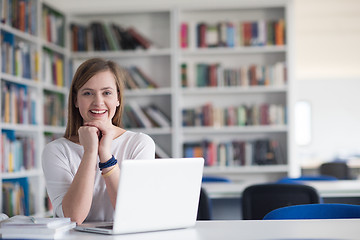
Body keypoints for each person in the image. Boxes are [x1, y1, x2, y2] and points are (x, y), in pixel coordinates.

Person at [42, 58, 155, 224]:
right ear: (75, 100)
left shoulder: (139, 144)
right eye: (88, 93)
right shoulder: (56, 151)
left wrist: (105, 154)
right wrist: (90, 152)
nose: (98, 102)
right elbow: (73, 217)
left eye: (107, 93)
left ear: (118, 98)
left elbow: (133, 212)